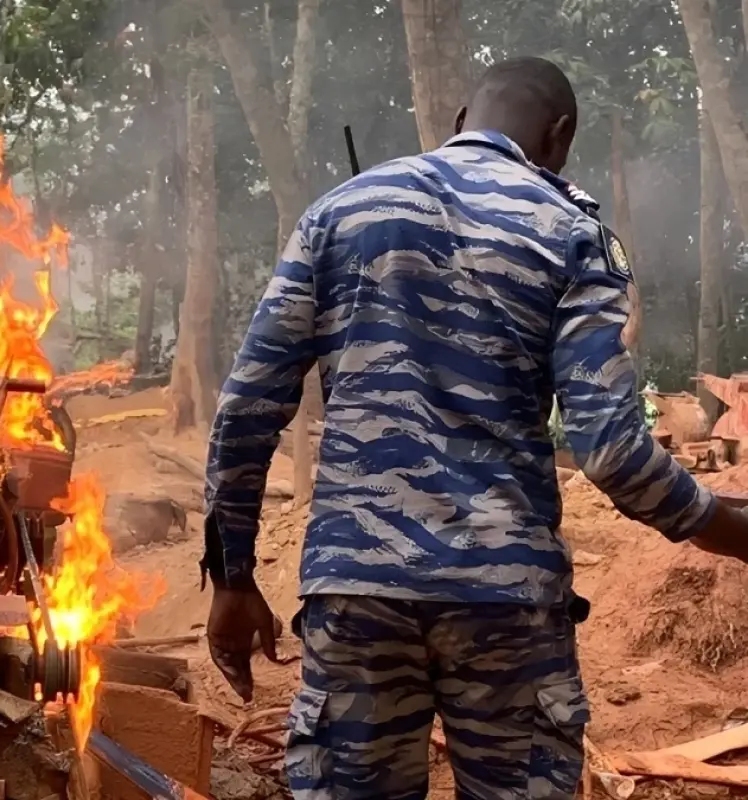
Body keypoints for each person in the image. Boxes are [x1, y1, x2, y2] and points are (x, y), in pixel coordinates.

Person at [200, 56, 748, 800]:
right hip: (506, 600)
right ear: (559, 136)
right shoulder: (571, 233)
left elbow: (246, 408)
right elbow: (612, 451)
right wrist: (728, 529)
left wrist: (232, 577)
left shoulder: (340, 213)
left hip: (358, 587)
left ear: (461, 122)